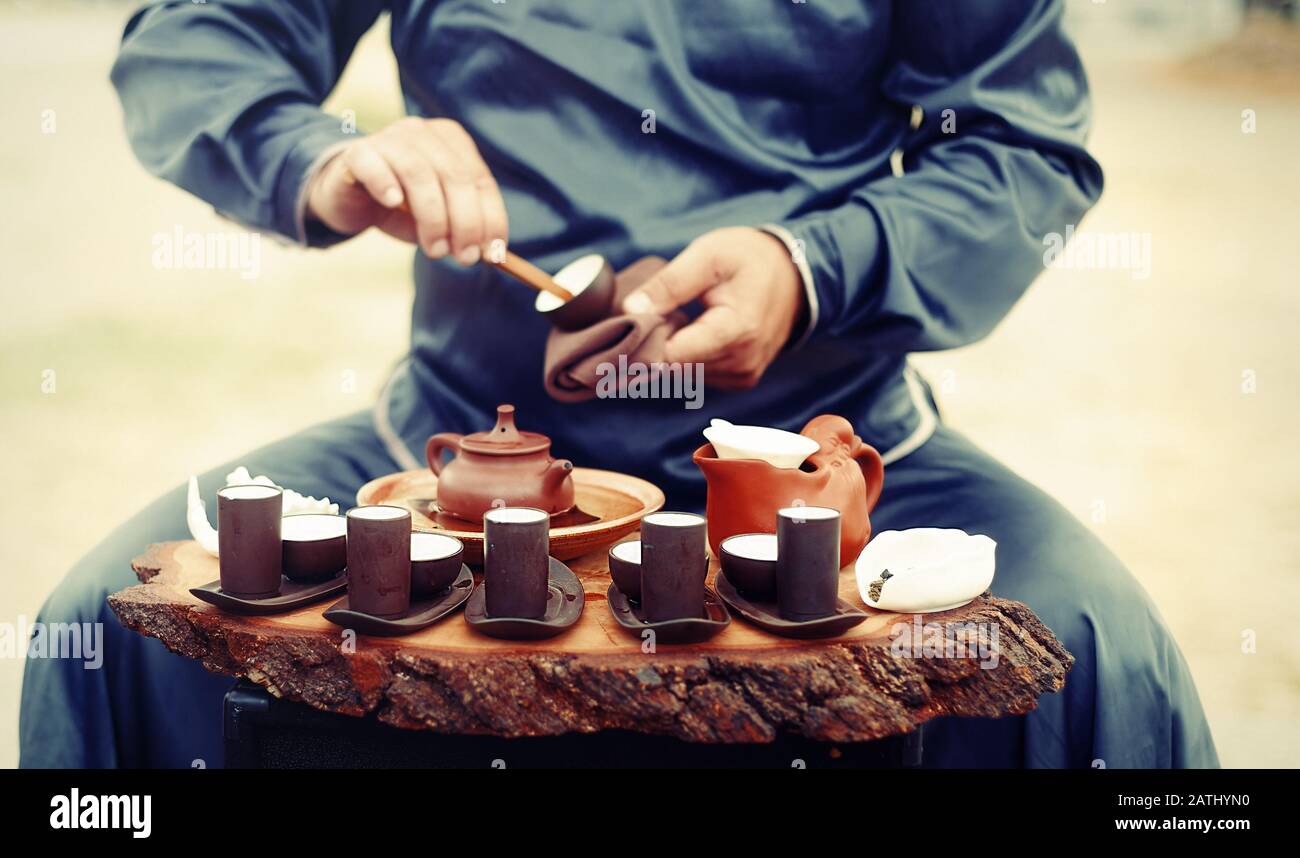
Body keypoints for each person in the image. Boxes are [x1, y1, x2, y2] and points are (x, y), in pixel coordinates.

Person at [21, 0, 1217, 768]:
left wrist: (813, 266)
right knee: (104, 631)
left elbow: (1017, 142)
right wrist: (317, 155)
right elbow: (196, 38)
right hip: (452, 468)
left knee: (1091, 649)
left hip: (826, 472)